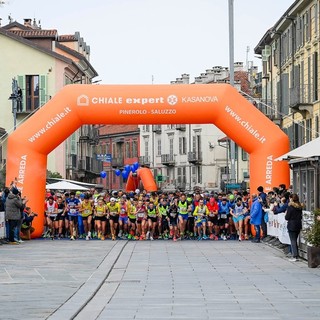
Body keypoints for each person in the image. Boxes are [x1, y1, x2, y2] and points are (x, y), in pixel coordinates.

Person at [285, 194, 303, 262]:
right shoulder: (300, 207)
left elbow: (287, 217)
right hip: (298, 224)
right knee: (295, 240)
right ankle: (296, 254)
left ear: (291, 199)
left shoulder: (290, 207)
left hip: (291, 225)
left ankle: (295, 255)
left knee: (293, 240)